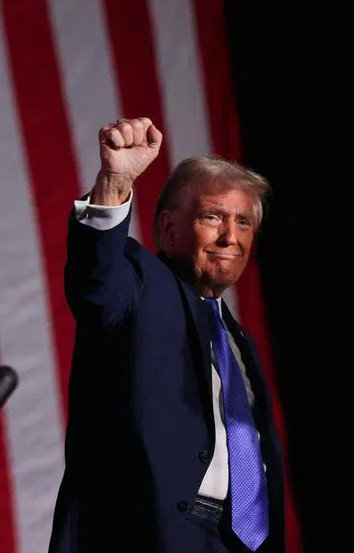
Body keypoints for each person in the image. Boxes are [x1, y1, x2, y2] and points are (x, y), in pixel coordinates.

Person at [48, 117, 286, 552]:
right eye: (213, 216)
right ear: (169, 229)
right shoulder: (140, 282)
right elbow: (96, 284)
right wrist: (114, 182)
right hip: (149, 535)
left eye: (244, 222)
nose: (230, 236)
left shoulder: (238, 341)